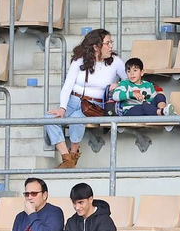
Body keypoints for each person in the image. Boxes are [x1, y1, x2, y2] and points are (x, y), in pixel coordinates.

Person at [45, 29, 122, 170]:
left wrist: (119, 84)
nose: (111, 46)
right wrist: (62, 107)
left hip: (95, 104)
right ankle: (67, 158)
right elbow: (67, 86)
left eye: (111, 42)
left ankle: (73, 154)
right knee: (49, 118)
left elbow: (131, 81)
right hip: (73, 100)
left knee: (76, 119)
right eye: (107, 43)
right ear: (96, 46)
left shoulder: (116, 62)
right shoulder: (79, 60)